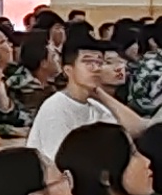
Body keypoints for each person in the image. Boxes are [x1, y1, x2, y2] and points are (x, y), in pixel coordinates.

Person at [27, 28, 132, 162]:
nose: (96, 68)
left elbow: (128, 136)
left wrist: (100, 94)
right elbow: (58, 162)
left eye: (99, 62)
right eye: (88, 62)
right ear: (68, 70)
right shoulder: (55, 107)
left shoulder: (97, 108)